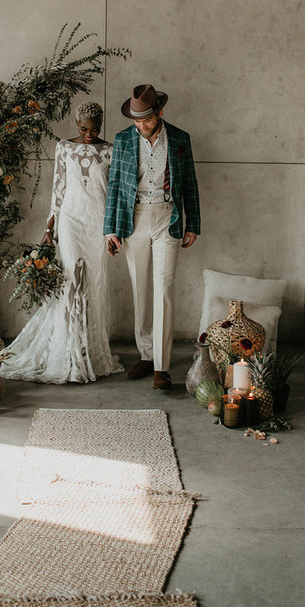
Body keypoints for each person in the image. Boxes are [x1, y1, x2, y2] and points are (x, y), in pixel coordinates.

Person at [0, 102, 123, 384]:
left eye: (95, 129)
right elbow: (59, 189)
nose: (89, 134)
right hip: (70, 220)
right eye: (83, 128)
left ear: (101, 125)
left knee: (93, 285)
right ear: (76, 122)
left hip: (98, 224)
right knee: (70, 283)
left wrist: (112, 230)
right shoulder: (64, 147)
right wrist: (48, 228)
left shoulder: (110, 150)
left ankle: (88, 351)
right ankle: (67, 353)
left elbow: (114, 192)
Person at [104, 84, 200, 390]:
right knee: (141, 289)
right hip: (135, 220)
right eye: (136, 120)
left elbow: (191, 183)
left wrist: (193, 222)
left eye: (146, 119)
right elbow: (115, 185)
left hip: (168, 217)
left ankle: (161, 366)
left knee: (163, 290)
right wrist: (111, 228)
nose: (142, 126)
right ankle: (146, 355)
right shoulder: (122, 140)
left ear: (160, 112)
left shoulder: (180, 139)